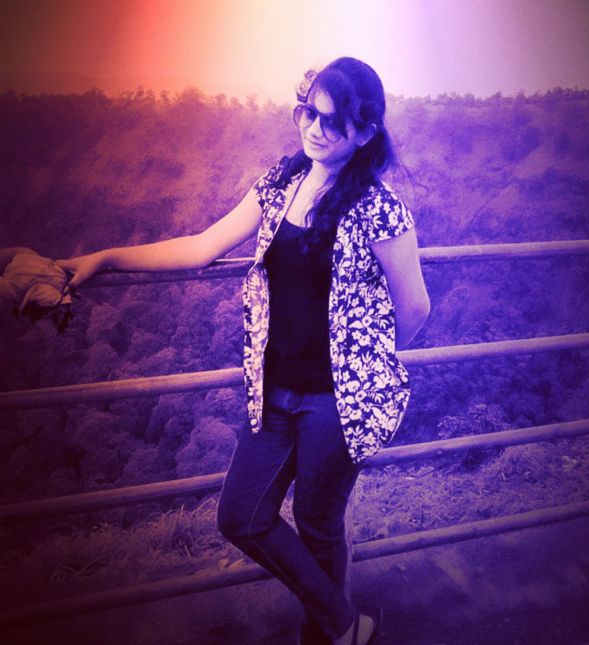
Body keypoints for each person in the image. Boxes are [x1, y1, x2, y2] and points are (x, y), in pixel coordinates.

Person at [56, 57, 430, 645]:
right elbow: (202, 246)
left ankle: (328, 636)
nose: (315, 130)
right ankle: (346, 626)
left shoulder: (379, 210)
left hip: (336, 403)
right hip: (274, 394)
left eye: (333, 122)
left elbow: (415, 307)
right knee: (242, 516)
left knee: (318, 522)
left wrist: (362, 365)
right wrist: (102, 258)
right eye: (309, 113)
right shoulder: (282, 183)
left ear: (363, 132)